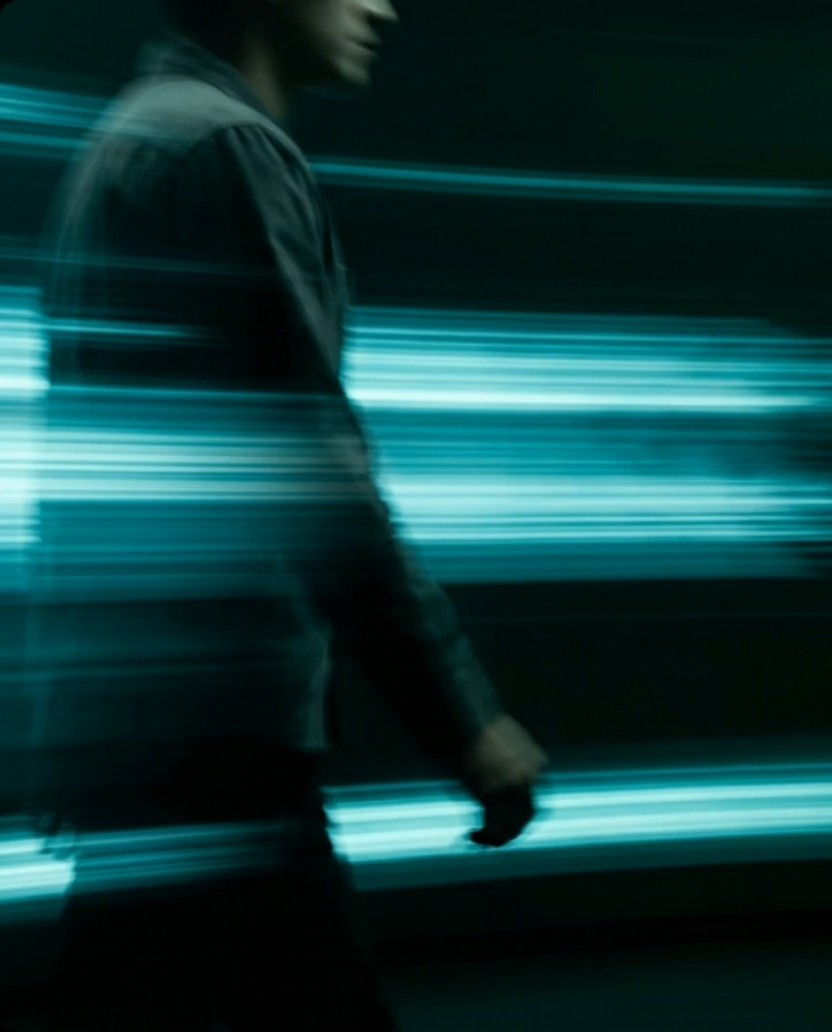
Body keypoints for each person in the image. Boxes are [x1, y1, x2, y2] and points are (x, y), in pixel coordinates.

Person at [22, 1, 548, 1028]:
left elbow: (75, 481)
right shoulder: (228, 149)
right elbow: (315, 473)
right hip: (220, 739)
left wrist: (64, 729)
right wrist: (466, 724)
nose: (382, 4)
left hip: (141, 734)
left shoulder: (129, 136)